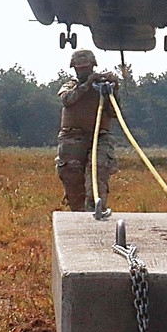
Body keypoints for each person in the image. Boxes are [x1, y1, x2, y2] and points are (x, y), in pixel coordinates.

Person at [55, 49, 120, 212]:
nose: (83, 71)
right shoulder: (70, 85)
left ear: (93, 66)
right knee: (72, 178)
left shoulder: (103, 87)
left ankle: (95, 208)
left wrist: (114, 89)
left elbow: (115, 112)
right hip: (72, 137)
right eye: (79, 68)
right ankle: (77, 213)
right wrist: (86, 85)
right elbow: (67, 100)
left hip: (100, 137)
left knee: (98, 170)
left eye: (86, 68)